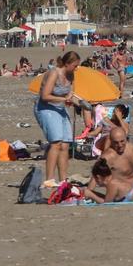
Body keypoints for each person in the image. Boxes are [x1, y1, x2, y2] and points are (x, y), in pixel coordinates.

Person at [34, 51, 80, 187]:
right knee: (56, 142)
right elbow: (45, 95)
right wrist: (63, 99)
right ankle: (49, 180)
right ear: (67, 64)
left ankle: (63, 180)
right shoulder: (54, 73)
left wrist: (74, 100)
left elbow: (69, 93)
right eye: (75, 65)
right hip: (45, 108)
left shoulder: (71, 75)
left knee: (66, 143)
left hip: (60, 107)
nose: (76, 68)